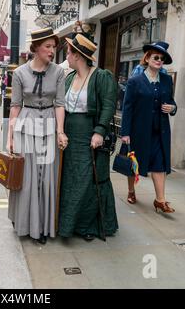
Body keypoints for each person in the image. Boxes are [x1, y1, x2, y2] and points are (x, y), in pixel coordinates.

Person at [7, 28, 66, 244]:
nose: (52, 51)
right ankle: (23, 222)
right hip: (26, 124)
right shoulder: (19, 73)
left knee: (46, 178)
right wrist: (10, 137)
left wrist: (60, 131)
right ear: (36, 48)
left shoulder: (59, 72)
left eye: (54, 47)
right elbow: (15, 106)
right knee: (27, 178)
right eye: (48, 46)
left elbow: (60, 104)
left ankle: (42, 226)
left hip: (49, 125)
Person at [58, 31, 119, 241]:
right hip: (69, 134)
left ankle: (86, 225)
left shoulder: (101, 77)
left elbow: (109, 105)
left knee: (87, 178)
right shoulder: (69, 77)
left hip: (88, 134)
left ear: (77, 55)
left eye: (68, 52)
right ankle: (68, 224)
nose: (66, 55)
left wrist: (99, 131)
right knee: (70, 178)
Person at [121, 41, 177, 213]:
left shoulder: (167, 80)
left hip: (160, 131)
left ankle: (160, 200)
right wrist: (125, 133)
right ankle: (131, 191)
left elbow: (172, 103)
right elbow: (127, 108)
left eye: (162, 58)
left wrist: (173, 108)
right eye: (156, 57)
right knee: (134, 164)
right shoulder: (135, 81)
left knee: (160, 165)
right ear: (147, 58)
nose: (159, 60)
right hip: (139, 131)